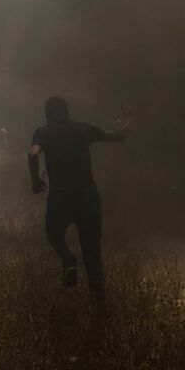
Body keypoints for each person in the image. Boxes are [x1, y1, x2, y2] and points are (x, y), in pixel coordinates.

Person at [28, 96, 132, 301]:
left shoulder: (44, 132)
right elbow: (120, 135)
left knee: (53, 234)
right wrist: (130, 117)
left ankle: (68, 260)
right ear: (66, 111)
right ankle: (99, 302)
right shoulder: (82, 130)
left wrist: (35, 180)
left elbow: (33, 154)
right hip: (87, 198)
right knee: (92, 252)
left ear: (47, 113)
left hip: (61, 198)